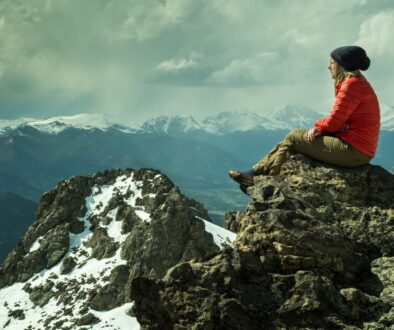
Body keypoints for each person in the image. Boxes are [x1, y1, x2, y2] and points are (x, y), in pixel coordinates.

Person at [229, 45, 380, 192]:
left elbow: (334, 123)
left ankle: (267, 180)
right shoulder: (358, 83)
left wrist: (318, 125)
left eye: (332, 63)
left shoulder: (351, 85)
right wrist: (324, 128)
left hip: (354, 151)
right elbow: (340, 122)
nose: (329, 67)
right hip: (358, 148)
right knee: (293, 137)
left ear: (342, 66)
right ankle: (255, 172)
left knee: (294, 137)